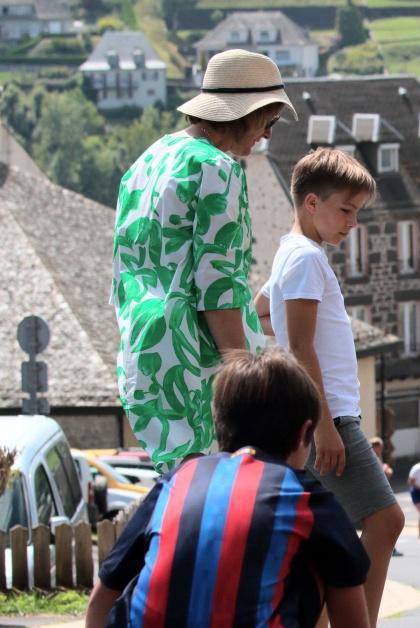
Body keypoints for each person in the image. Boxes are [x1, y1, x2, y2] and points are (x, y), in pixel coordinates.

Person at [83, 350, 371, 628]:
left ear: (221, 429)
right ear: (304, 433)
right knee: (322, 567)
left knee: (164, 568)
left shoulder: (177, 479)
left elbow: (100, 603)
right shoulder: (305, 494)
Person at [255, 147, 420, 628]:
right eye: (346, 210)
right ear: (311, 202)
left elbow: (261, 309)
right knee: (386, 522)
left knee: (332, 536)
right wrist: (326, 424)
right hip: (328, 414)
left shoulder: (292, 253)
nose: (353, 223)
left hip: (319, 413)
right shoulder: (306, 258)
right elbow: (302, 345)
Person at [112, 50, 295, 473]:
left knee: (181, 497)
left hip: (145, 353)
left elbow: (125, 273)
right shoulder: (216, 168)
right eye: (267, 122)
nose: (266, 136)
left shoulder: (149, 160)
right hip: (198, 361)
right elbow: (219, 287)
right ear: (243, 115)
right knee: (222, 504)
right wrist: (244, 386)